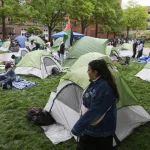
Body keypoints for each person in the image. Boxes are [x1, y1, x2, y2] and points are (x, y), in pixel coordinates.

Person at [71, 59, 119, 150]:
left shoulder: (104, 88)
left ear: (95, 72)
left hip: (100, 130)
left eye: (89, 70)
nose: (87, 72)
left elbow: (95, 111)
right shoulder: (96, 83)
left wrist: (77, 128)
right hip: (92, 126)